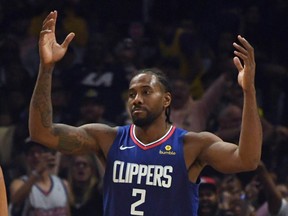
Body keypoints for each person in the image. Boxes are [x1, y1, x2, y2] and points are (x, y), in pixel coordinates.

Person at [28, 10, 262, 216]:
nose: (137, 99)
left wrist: (249, 92)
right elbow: (42, 133)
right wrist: (46, 68)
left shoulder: (192, 145)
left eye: (146, 92)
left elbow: (248, 159)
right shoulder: (108, 139)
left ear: (167, 100)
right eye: (131, 94)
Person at [9, 138, 71, 216]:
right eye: (31, 153)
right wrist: (37, 172)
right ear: (26, 158)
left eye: (39, 151)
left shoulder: (63, 184)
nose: (36, 156)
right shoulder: (19, 183)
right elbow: (15, 201)